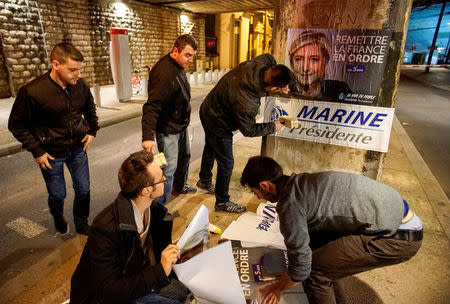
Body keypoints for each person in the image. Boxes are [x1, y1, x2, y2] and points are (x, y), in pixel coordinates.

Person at [240, 156, 423, 304]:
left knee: (315, 273)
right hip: (401, 217)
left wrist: (279, 286)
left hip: (399, 238)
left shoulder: (290, 206)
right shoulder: (301, 182)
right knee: (315, 244)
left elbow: (301, 269)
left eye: (254, 191)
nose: (257, 197)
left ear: (264, 185)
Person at [70, 150, 188, 304]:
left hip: (135, 276)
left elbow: (158, 247)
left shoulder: (156, 211)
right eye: (161, 179)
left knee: (181, 291)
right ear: (146, 190)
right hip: (107, 296)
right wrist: (159, 272)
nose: (165, 179)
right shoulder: (106, 228)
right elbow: (107, 290)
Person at [8, 42, 99, 236]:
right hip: (51, 154)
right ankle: (57, 216)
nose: (78, 75)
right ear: (56, 64)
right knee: (58, 195)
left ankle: (82, 224)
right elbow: (16, 125)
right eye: (73, 70)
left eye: (79, 70)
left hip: (77, 149)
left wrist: (92, 131)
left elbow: (90, 110)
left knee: (83, 190)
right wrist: (37, 150)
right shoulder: (32, 91)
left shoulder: (80, 85)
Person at [197, 54, 290, 213]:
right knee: (226, 162)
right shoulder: (246, 100)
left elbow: (269, 57)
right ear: (274, 88)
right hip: (218, 121)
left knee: (212, 146)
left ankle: (204, 181)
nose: (287, 91)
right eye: (283, 88)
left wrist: (284, 82)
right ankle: (222, 202)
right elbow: (249, 130)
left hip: (208, 107)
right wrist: (273, 126)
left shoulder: (260, 64)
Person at [142, 34, 198, 206]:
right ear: (176, 51)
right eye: (187, 55)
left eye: (192, 56)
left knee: (185, 157)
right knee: (168, 167)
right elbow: (152, 106)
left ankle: (180, 186)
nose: (190, 60)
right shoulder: (163, 73)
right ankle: (161, 205)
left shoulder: (178, 65)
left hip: (180, 126)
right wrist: (148, 136)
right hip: (167, 130)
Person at [288, 31, 352, 102]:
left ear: (324, 63)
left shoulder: (339, 90)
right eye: (298, 59)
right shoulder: (283, 89)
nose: (305, 68)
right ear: (292, 63)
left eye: (314, 59)